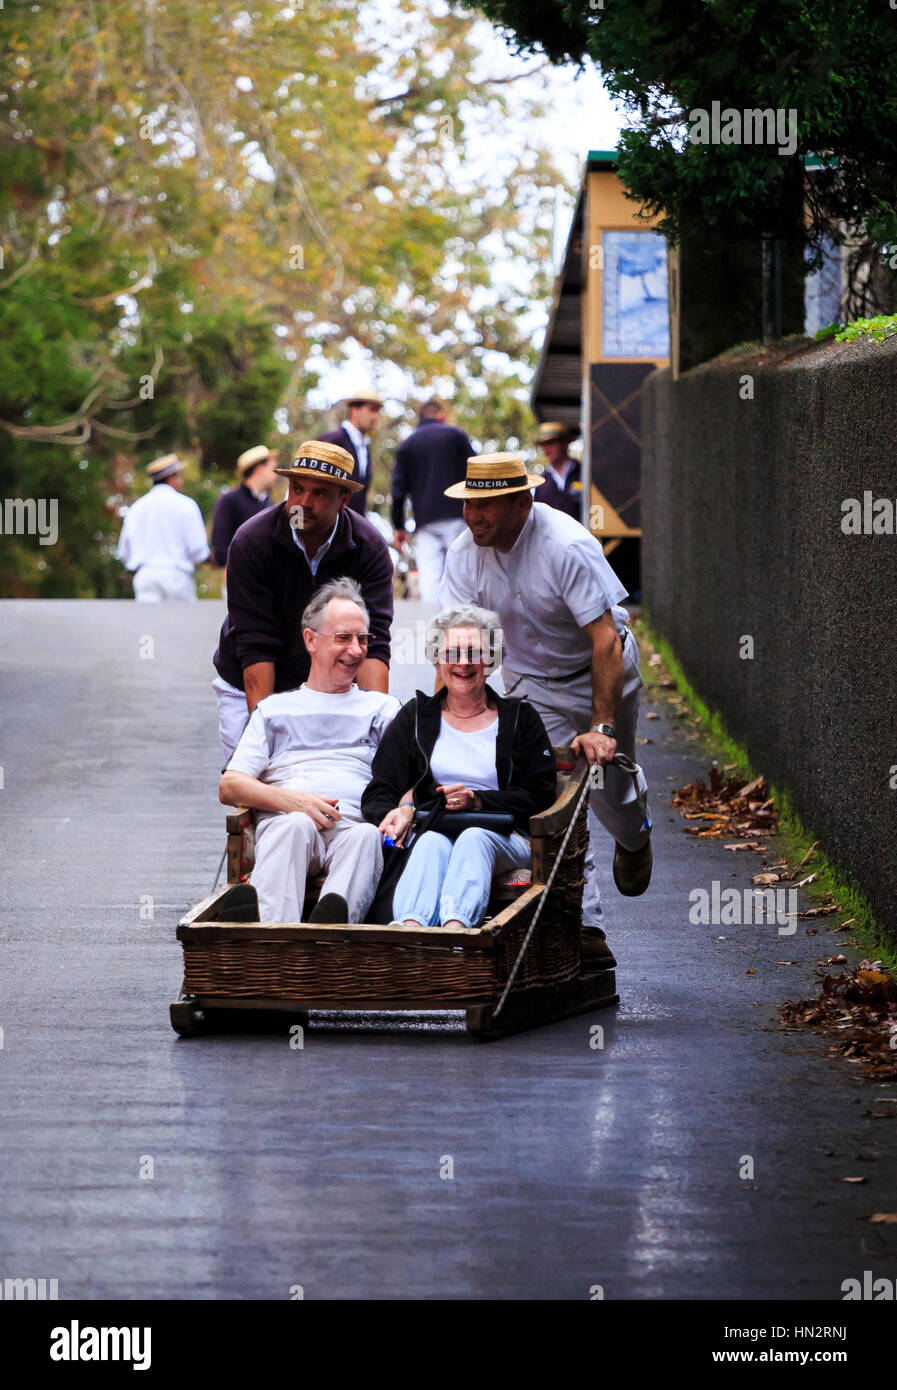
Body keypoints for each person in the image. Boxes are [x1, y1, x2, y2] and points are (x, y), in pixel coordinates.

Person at [439, 452, 652, 965]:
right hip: (533, 683)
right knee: (555, 797)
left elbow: (605, 641)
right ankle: (587, 927)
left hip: (600, 671)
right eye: (469, 505)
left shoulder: (566, 544)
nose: (474, 517)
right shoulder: (464, 554)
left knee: (608, 791)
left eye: (486, 506)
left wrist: (601, 726)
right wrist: (451, 717)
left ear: (522, 501)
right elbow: (459, 642)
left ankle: (634, 834)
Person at [361, 605, 556, 929]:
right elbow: (382, 787)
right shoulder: (416, 717)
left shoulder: (521, 718)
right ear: (438, 659)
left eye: (474, 652)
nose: (463, 662)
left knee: (473, 838)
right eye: (452, 652)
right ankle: (410, 932)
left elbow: (541, 793)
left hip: (507, 836)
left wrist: (479, 801)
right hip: (434, 828)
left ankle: (457, 932)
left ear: (490, 660)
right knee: (430, 843)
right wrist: (395, 815)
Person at [220, 580, 400, 924]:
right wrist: (293, 801)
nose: (356, 650)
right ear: (310, 640)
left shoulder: (383, 709)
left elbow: (410, 775)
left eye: (362, 639)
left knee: (365, 837)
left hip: (353, 825)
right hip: (288, 822)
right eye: (344, 638)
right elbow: (230, 786)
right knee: (295, 827)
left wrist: (403, 807)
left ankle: (330, 932)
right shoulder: (275, 710)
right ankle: (271, 937)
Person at [212, 440, 394, 762]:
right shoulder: (251, 541)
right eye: (296, 489)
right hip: (248, 685)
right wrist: (264, 739)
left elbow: (373, 644)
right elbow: (256, 646)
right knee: (254, 788)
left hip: (331, 688)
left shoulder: (370, 548)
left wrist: (382, 731)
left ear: (344, 499)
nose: (302, 503)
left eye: (320, 493)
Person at [390, 398, 472, 603]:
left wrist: (399, 526)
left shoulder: (407, 446)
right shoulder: (455, 436)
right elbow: (476, 472)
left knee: (430, 574)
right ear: (441, 415)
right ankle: (464, 622)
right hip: (458, 514)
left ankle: (434, 627)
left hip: (425, 520)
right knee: (462, 570)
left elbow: (398, 491)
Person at [115, 454, 210, 601]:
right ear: (172, 479)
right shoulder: (186, 505)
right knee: (181, 623)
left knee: (149, 623)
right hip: (177, 577)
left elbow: (124, 552)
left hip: (146, 576)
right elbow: (197, 549)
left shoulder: (137, 508)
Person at [210, 444, 279, 570]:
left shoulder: (269, 504)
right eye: (272, 469)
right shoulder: (230, 500)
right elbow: (220, 546)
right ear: (259, 469)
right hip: (239, 579)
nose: (275, 475)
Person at [318, 384, 383, 516]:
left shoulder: (365, 447)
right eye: (371, 410)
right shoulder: (332, 441)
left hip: (352, 525)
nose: (375, 416)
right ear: (354, 410)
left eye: (377, 411)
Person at [532, 422, 583, 521]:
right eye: (543, 445)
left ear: (565, 444)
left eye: (551, 443)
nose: (546, 449)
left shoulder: (584, 473)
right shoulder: (541, 483)